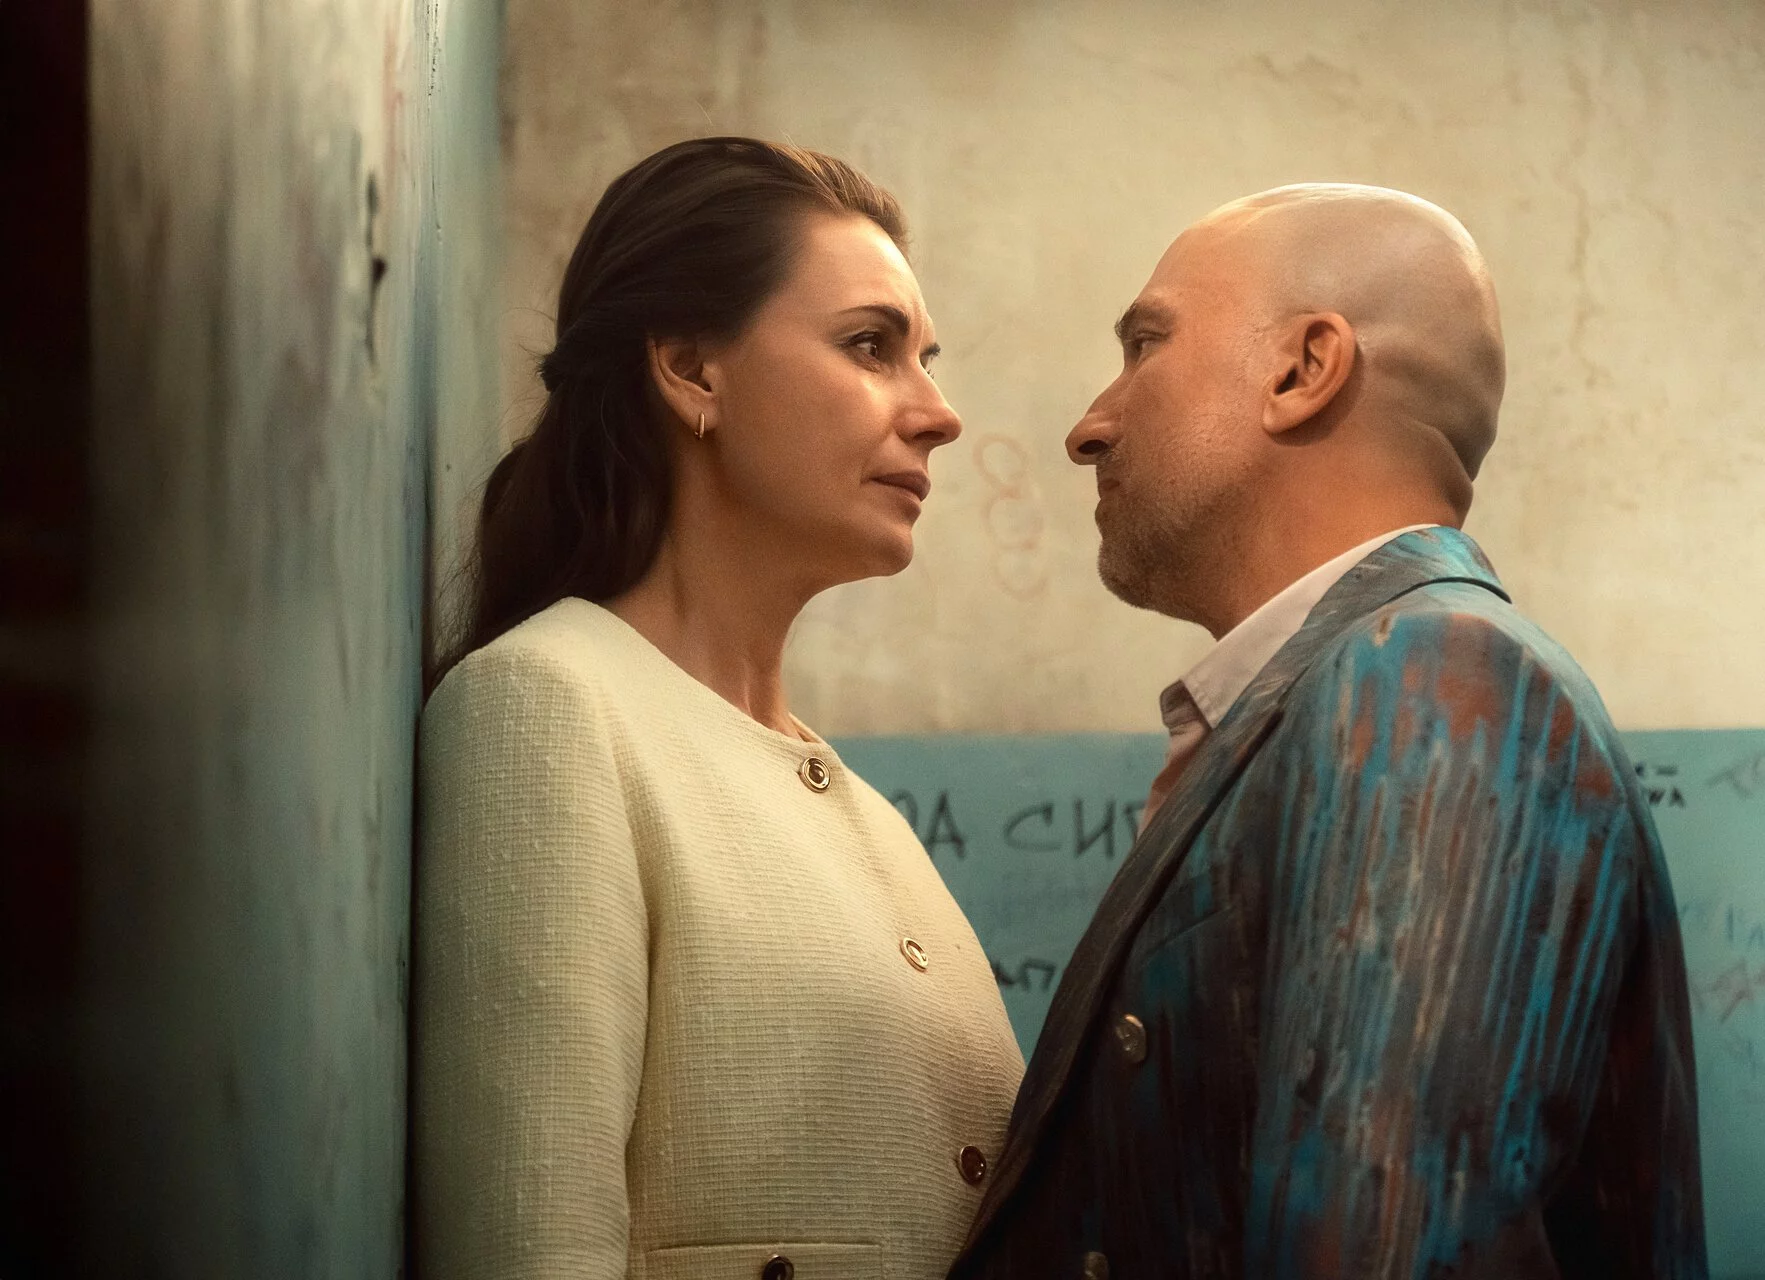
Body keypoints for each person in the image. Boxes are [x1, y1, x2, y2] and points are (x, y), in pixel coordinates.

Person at [948, 185, 1707, 1279]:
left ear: (1303, 369)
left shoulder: (1435, 678)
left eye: (1144, 344)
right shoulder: (1343, 690)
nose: (1088, 426)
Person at [413, 137, 1024, 1280]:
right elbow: (529, 1238)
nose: (938, 413)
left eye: (925, 358)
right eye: (871, 345)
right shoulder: (546, 706)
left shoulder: (867, 817)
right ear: (692, 369)